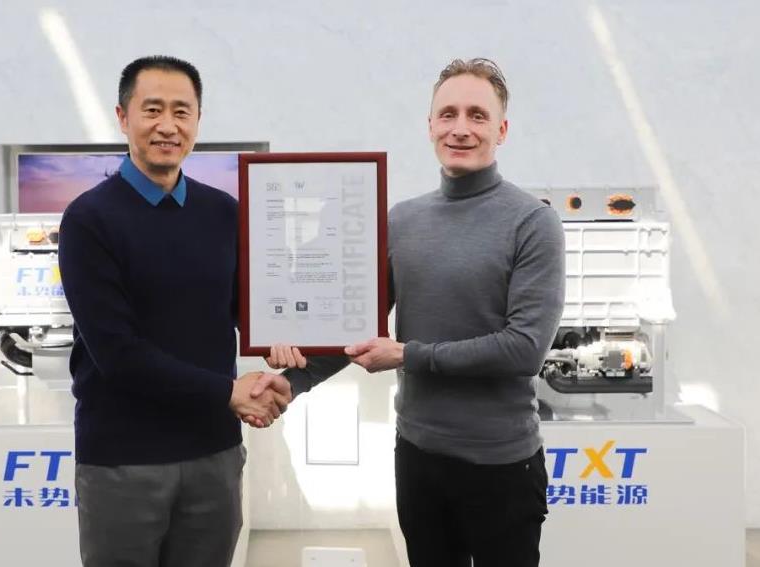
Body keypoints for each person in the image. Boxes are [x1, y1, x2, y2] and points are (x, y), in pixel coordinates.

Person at [270, 58, 565, 566]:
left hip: (501, 465)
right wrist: (291, 382)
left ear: (501, 130)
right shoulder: (402, 221)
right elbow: (357, 326)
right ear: (430, 125)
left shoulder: (533, 223)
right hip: (417, 456)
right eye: (448, 114)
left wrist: (408, 354)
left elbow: (524, 349)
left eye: (477, 115)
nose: (460, 128)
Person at [59, 55, 293, 567]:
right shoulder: (88, 220)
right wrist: (229, 392)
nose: (168, 125)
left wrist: (291, 340)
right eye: (153, 110)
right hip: (123, 460)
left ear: (197, 121)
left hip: (214, 453)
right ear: (123, 117)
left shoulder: (224, 212)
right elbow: (118, 355)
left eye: (182, 111)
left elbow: (249, 312)